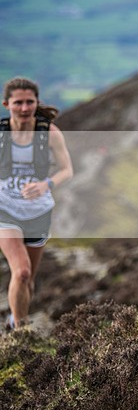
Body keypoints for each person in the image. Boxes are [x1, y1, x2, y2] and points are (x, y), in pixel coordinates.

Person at [1, 77, 73, 330]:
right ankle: (21, 332)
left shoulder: (49, 133)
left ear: (37, 102)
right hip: (5, 209)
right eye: (18, 102)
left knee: (28, 277)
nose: (24, 108)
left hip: (38, 211)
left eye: (29, 102)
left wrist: (46, 185)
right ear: (6, 104)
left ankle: (15, 317)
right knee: (21, 271)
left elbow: (66, 170)